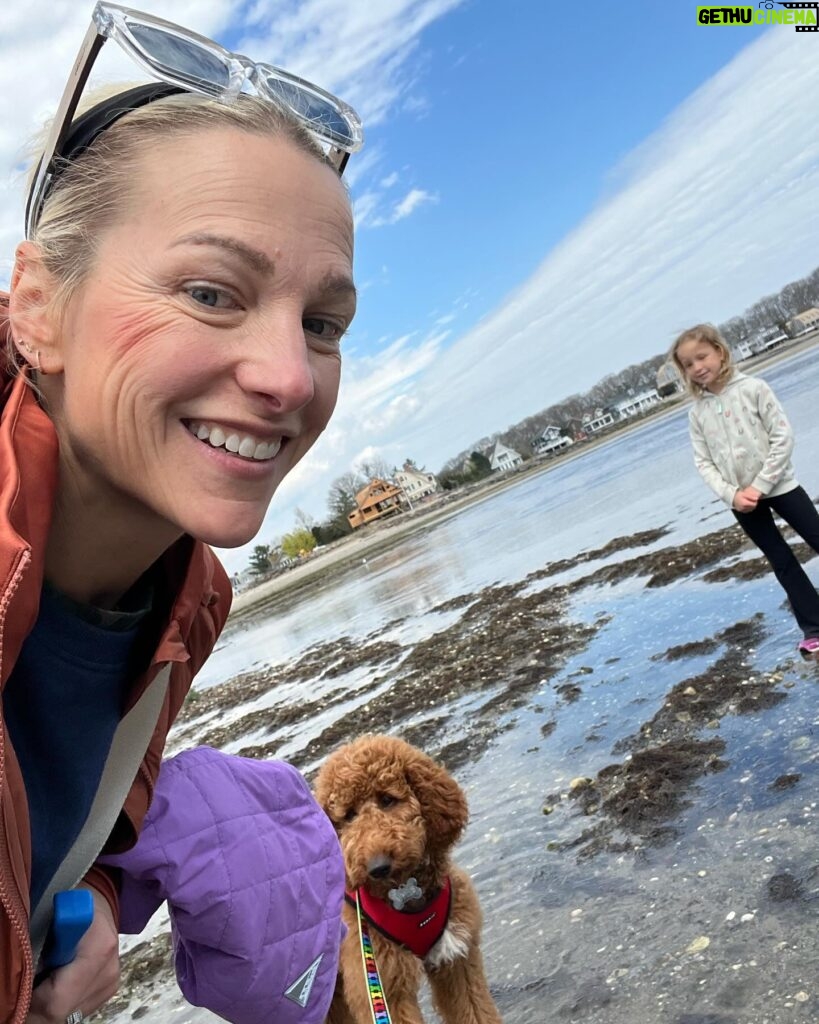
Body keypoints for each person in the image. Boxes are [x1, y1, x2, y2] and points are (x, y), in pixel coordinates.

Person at [0, 4, 362, 1021]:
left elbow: (114, 805)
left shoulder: (188, 592)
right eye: (210, 292)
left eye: (323, 322)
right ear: (37, 305)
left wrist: (100, 897)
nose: (290, 374)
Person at [671, 323, 819, 660]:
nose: (697, 367)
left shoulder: (754, 388)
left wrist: (761, 484)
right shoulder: (698, 413)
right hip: (741, 501)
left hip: (780, 485)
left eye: (701, 357)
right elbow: (703, 462)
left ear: (719, 352)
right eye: (688, 364)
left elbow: (783, 438)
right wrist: (732, 495)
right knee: (782, 561)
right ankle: (814, 628)